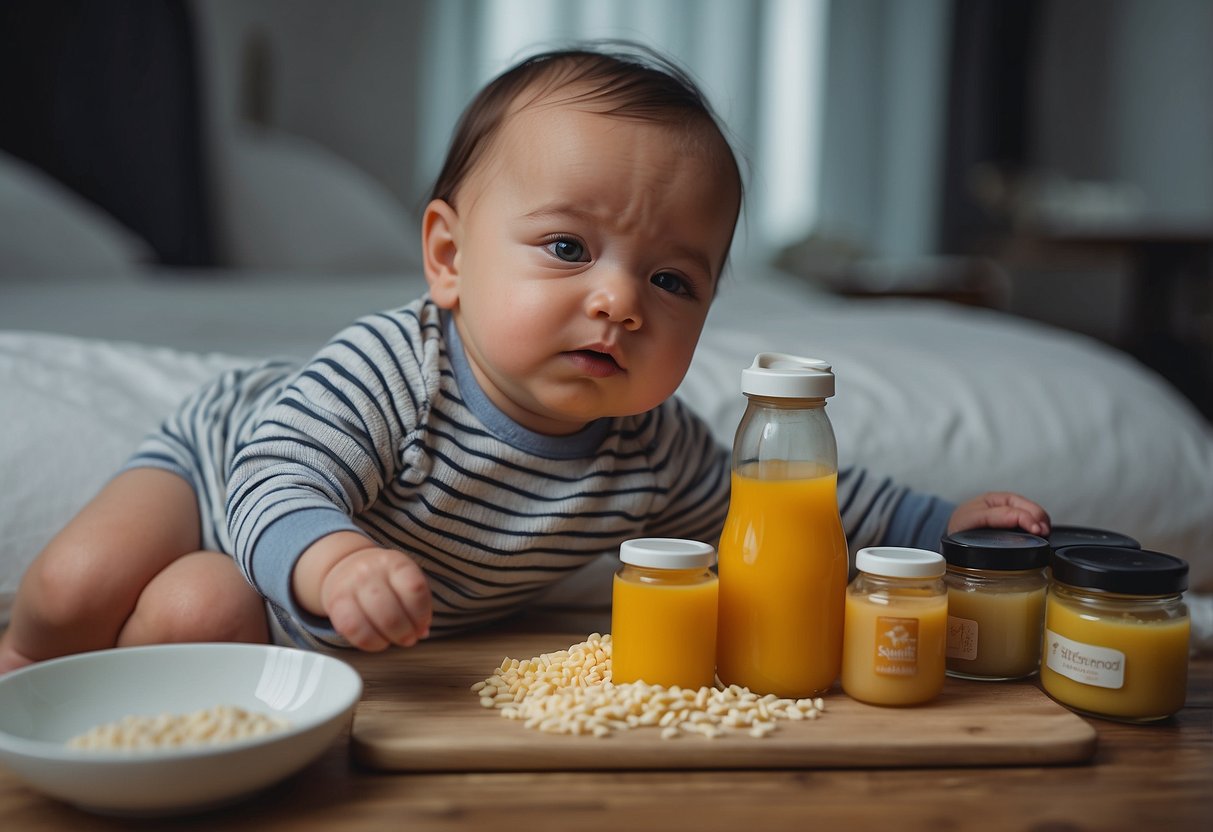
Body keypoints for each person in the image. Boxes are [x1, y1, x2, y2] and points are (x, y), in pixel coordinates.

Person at [0, 43, 1050, 673]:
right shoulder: (395, 370)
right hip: (224, 471)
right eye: (566, 249)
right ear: (448, 258)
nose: (618, 302)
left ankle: (133, 736)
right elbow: (280, 476)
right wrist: (339, 562)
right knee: (74, 583)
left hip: (303, 592)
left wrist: (939, 524)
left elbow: (783, 502)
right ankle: (31, 674)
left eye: (672, 280)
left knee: (204, 613)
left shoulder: (650, 448)